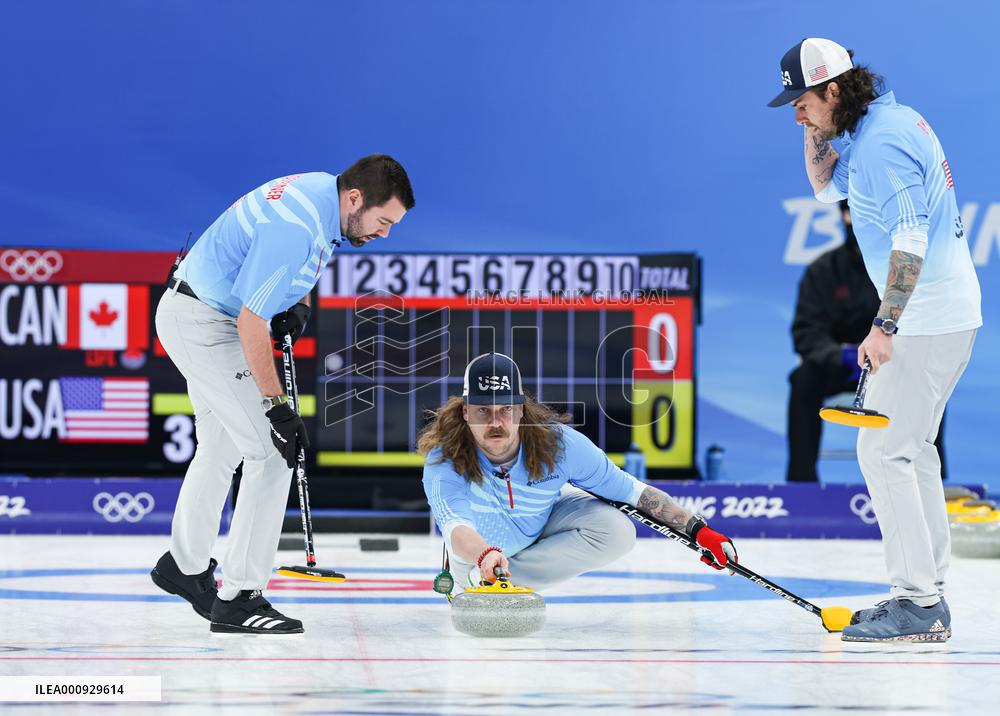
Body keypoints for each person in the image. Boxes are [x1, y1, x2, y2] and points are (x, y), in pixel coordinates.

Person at [769, 39, 981, 642]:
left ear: (835, 90)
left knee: (885, 452)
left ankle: (918, 602)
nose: (797, 114)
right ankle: (926, 592)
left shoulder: (883, 143)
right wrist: (813, 122)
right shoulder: (876, 127)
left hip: (927, 318)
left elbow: (911, 236)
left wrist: (884, 325)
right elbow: (821, 187)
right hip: (940, 313)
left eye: (804, 101)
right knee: (909, 451)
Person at [151, 155, 415, 634]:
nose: (384, 234)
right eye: (383, 221)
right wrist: (277, 409)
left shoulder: (323, 194)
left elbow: (300, 263)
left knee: (222, 448)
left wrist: (298, 302)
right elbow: (251, 321)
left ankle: (184, 566)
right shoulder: (296, 226)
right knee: (272, 454)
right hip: (208, 325)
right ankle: (238, 598)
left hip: (199, 311)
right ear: (355, 199)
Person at [419, 352, 737, 592]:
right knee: (469, 557)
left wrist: (697, 530)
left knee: (617, 530)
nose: (496, 423)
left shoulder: (557, 443)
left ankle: (502, 580)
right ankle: (482, 579)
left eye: (506, 410)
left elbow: (633, 492)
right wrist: (485, 556)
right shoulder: (445, 459)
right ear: (465, 411)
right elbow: (457, 529)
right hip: (474, 556)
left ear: (521, 409)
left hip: (536, 530)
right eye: (483, 411)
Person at [787, 200, 947, 483]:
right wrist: (841, 356)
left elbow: (921, 322)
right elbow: (806, 332)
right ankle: (802, 484)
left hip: (892, 363)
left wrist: (892, 353)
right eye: (853, 214)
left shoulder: (903, 272)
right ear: (845, 217)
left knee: (927, 384)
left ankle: (932, 482)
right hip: (841, 366)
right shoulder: (823, 270)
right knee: (803, 380)